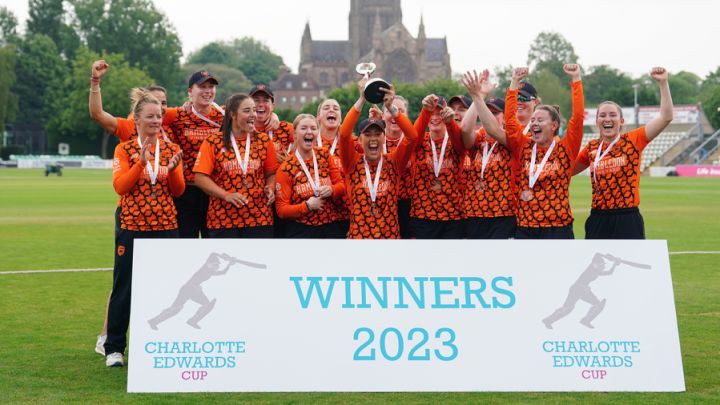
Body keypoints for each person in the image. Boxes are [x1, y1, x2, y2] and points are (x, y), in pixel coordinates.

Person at [88, 60, 173, 355]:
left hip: (167, 216)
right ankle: (108, 338)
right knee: (125, 281)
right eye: (154, 106)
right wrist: (95, 83)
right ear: (140, 113)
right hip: (133, 215)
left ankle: (157, 341)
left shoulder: (169, 129)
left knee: (167, 282)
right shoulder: (129, 130)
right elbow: (98, 114)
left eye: (164, 106)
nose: (160, 112)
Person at [104, 89, 184, 367]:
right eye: (150, 116)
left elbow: (178, 191)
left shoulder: (172, 150)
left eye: (159, 116)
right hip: (132, 226)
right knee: (124, 288)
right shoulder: (124, 149)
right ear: (136, 120)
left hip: (166, 226)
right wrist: (140, 164)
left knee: (167, 288)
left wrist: (172, 172)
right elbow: (120, 186)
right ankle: (114, 348)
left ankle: (160, 343)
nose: (156, 121)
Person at [572, 67, 673, 239]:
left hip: (627, 218)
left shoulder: (633, 139)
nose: (607, 119)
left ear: (621, 121)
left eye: (612, 115)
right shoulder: (591, 148)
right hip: (598, 217)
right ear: (597, 121)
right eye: (602, 115)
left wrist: (663, 83)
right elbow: (565, 171)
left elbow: (666, 117)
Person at [485, 65, 584, 239]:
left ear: (554, 125)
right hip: (525, 227)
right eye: (533, 120)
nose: (534, 123)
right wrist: (514, 82)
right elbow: (510, 120)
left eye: (540, 120)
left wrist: (576, 79)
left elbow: (577, 119)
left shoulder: (565, 149)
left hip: (557, 227)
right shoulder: (524, 147)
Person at [339, 78, 418, 239]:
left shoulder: (393, 162)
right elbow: (344, 134)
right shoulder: (352, 163)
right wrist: (362, 99)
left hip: (389, 240)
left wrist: (391, 108)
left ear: (384, 137)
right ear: (360, 140)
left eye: (377, 134)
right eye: (368, 134)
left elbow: (411, 136)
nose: (373, 138)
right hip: (359, 240)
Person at [193, 93, 278, 238]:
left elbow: (271, 173)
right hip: (223, 220)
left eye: (254, 110)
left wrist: (270, 187)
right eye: (247, 111)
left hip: (259, 218)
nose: (253, 115)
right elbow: (200, 178)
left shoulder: (263, 141)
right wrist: (226, 195)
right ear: (232, 114)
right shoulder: (213, 141)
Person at [163, 69, 225, 238]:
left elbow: (251, 116)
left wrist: (274, 117)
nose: (208, 91)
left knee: (214, 244)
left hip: (215, 191)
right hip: (187, 191)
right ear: (190, 91)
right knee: (185, 243)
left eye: (211, 87)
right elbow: (142, 116)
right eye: (202, 87)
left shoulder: (224, 115)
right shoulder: (178, 114)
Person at [459, 69, 517, 239]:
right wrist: (480, 96)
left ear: (505, 117)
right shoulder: (478, 138)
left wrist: (477, 96)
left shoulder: (510, 138)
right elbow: (465, 128)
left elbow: (493, 129)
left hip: (502, 215)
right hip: (474, 213)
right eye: (487, 111)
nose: (489, 115)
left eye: (495, 112)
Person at [275, 114, 347, 238]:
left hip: (330, 227)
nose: (309, 132)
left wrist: (332, 190)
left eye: (313, 128)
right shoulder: (286, 168)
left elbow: (341, 186)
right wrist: (307, 206)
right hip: (301, 230)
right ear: (295, 134)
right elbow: (281, 210)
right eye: (304, 128)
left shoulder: (324, 155)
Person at [409, 94, 466, 239]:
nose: (434, 117)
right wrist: (425, 111)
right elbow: (413, 137)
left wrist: (450, 122)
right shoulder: (421, 140)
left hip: (453, 216)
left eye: (439, 113)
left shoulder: (454, 139)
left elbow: (459, 142)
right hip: (422, 216)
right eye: (431, 113)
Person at [250, 83, 294, 238]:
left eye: (266, 101)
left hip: (283, 196)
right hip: (254, 198)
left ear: (273, 105)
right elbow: (225, 109)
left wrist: (289, 161)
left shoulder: (285, 128)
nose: (261, 104)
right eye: (256, 100)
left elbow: (310, 136)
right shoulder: (242, 129)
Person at [369, 95, 414, 238]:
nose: (395, 114)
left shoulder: (415, 141)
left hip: (410, 207)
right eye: (390, 110)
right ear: (383, 115)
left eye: (400, 110)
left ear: (406, 115)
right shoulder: (373, 142)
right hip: (380, 204)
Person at [316, 98, 350, 234]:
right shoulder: (308, 141)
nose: (331, 110)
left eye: (336, 108)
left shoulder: (351, 143)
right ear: (318, 117)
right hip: (316, 214)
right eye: (326, 108)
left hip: (345, 214)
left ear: (341, 118)